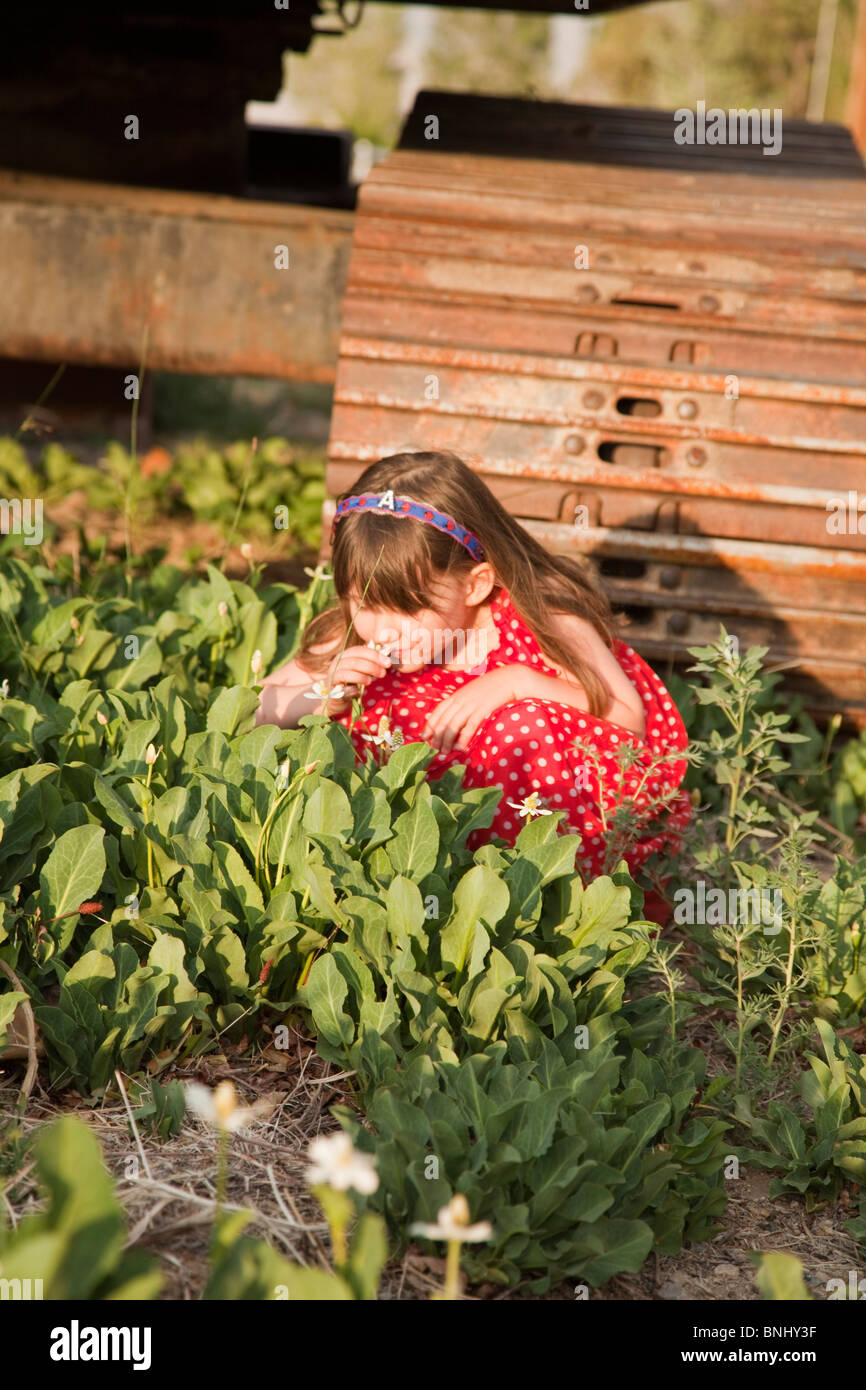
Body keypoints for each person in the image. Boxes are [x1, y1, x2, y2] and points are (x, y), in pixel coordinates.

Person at [255, 450, 691, 924]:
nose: (382, 629)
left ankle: (548, 913)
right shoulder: (356, 634)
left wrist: (518, 683)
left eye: (408, 608)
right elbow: (261, 707)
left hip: (554, 841)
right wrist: (319, 694)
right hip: (412, 860)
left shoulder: (541, 620)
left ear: (476, 584)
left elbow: (626, 714)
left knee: (520, 725)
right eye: (363, 602)